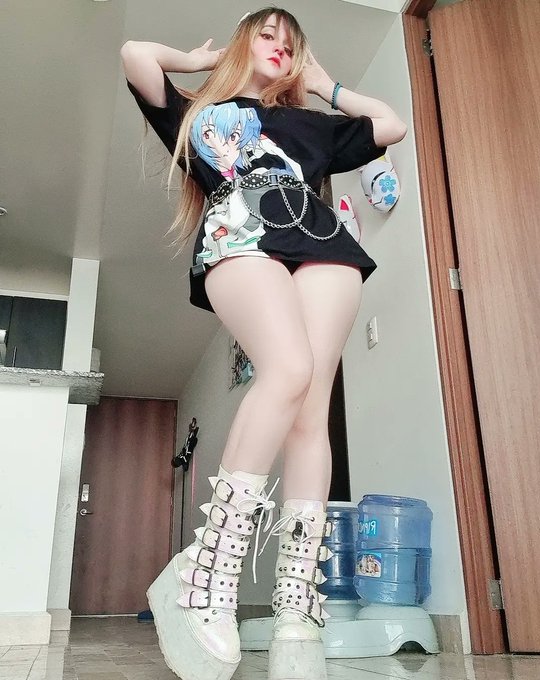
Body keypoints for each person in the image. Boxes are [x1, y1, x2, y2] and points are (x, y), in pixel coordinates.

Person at [121, 8, 406, 680]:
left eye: (290, 41)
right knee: (287, 368)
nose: (279, 46)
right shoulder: (199, 113)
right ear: (245, 41)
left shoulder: (310, 124)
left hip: (324, 243)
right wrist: (199, 63)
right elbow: (135, 54)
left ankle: (295, 606)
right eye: (267, 33)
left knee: (311, 414)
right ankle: (209, 567)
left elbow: (389, 124)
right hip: (239, 232)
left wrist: (325, 84)